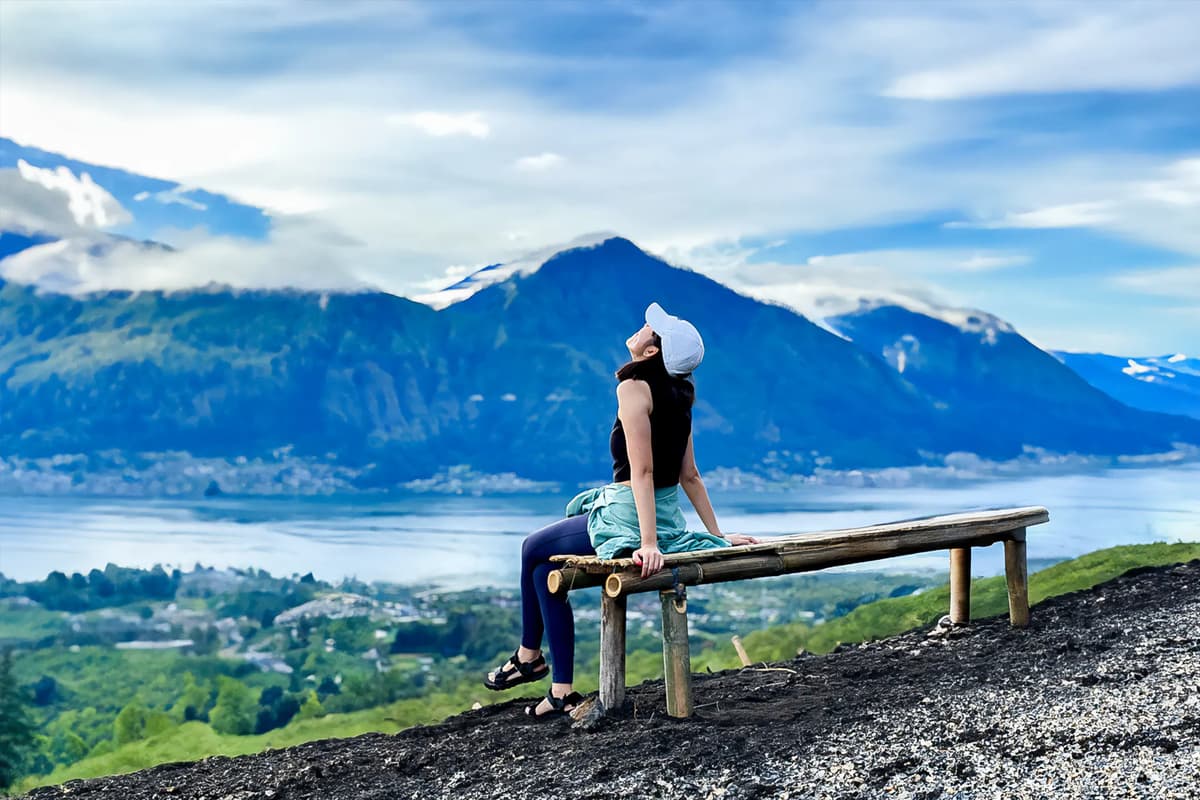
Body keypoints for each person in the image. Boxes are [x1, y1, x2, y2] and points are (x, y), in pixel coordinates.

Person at [484, 302, 759, 718]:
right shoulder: (681, 395)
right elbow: (690, 476)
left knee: (530, 547)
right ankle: (560, 691)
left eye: (652, 329)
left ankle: (528, 656)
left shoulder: (633, 388)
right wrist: (716, 537)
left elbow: (642, 471)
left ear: (652, 351)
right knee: (543, 572)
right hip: (663, 515)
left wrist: (648, 543)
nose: (644, 326)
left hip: (630, 516)